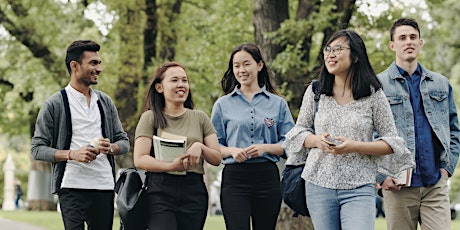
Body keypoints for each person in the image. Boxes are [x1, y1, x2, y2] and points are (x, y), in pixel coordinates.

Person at [281, 30, 414, 230]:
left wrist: (355, 146)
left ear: (356, 56)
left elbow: (391, 142)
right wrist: (316, 141)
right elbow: (298, 132)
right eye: (328, 49)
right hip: (318, 184)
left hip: (359, 187)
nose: (330, 54)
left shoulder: (373, 95)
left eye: (338, 49)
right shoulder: (316, 92)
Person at [30, 40, 130, 230]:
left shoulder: (105, 102)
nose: (99, 68)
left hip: (104, 185)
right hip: (71, 185)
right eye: (93, 63)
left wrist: (110, 147)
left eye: (99, 63)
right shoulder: (54, 104)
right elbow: (37, 149)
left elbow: (124, 142)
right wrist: (72, 154)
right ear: (74, 66)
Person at [377, 17, 460, 230]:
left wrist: (447, 169)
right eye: (402, 38)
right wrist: (381, 177)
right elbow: (368, 134)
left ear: (421, 43)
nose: (409, 42)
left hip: (435, 183)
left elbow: (453, 129)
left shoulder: (441, 83)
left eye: (413, 37)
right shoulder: (377, 86)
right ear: (392, 45)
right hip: (397, 186)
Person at [211, 43, 295, 230]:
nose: (242, 70)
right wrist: (232, 151)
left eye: (246, 64)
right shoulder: (222, 105)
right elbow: (213, 145)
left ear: (259, 65)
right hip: (234, 179)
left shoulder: (278, 104)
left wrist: (264, 148)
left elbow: (291, 143)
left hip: (267, 177)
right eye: (237, 65)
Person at [133, 62, 222, 230]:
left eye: (185, 80)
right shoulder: (149, 117)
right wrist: (171, 165)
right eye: (174, 80)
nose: (181, 85)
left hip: (194, 190)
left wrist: (200, 147)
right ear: (159, 87)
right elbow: (140, 159)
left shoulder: (200, 118)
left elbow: (217, 158)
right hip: (159, 189)